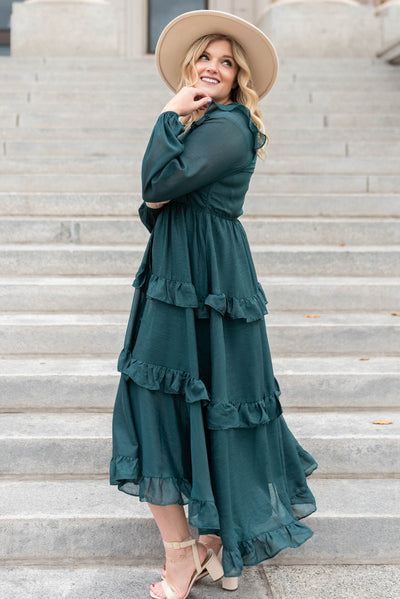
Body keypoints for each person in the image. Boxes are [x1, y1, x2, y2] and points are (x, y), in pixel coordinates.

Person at [109, 10, 318, 599]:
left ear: (237, 79)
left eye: (227, 62)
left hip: (211, 278)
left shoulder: (229, 125)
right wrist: (175, 121)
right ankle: (203, 546)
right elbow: (155, 194)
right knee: (162, 397)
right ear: (189, 64)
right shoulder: (194, 123)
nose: (213, 67)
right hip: (179, 273)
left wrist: (168, 116)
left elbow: (155, 189)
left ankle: (186, 556)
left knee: (184, 396)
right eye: (206, 57)